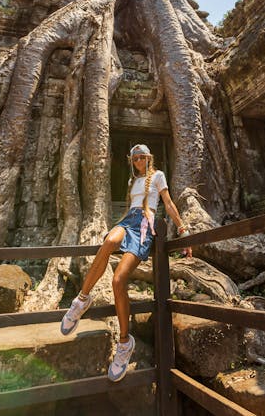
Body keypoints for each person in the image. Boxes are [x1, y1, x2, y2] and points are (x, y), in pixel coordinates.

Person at [60, 143, 192, 382]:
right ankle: (82, 299)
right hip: (128, 220)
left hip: (144, 224)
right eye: (135, 159)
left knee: (118, 280)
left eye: (142, 157)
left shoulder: (159, 176)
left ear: (149, 158)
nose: (139, 162)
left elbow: (169, 203)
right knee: (108, 243)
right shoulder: (132, 182)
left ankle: (124, 343)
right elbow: (131, 208)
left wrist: (182, 230)